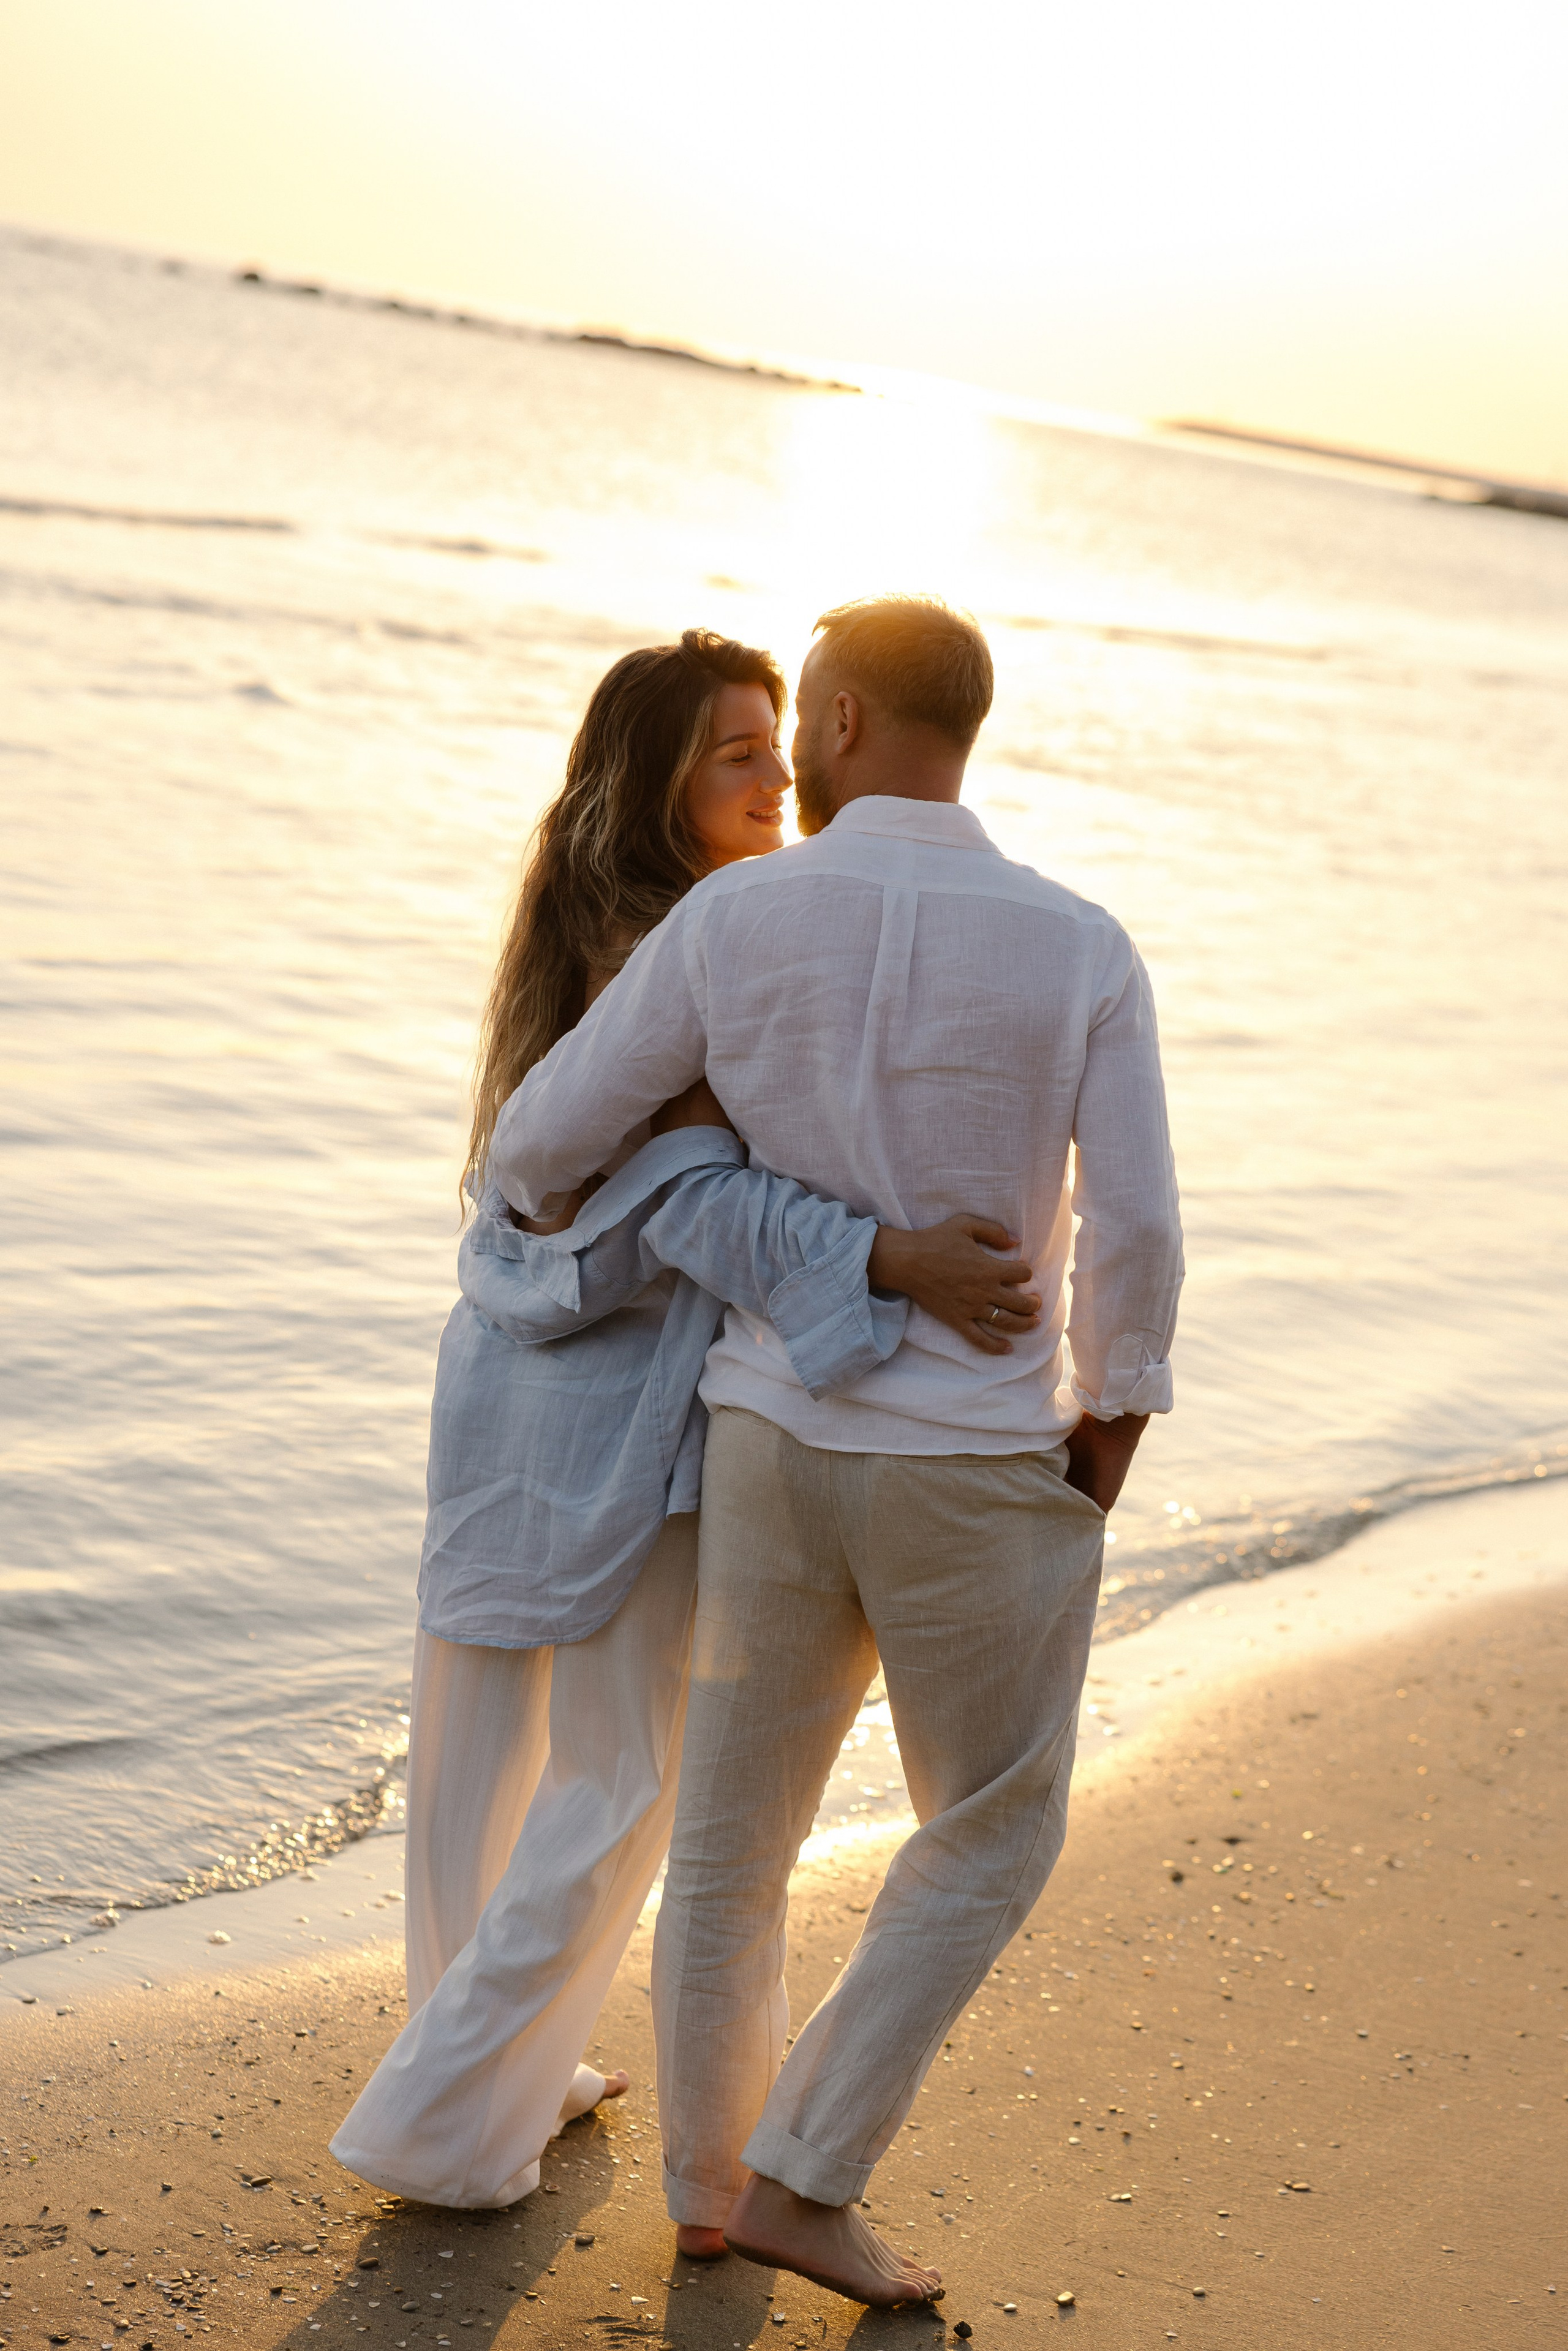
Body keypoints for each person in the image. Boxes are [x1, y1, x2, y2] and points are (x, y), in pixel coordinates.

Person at [487, 595, 1185, 2305]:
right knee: (995, 1828)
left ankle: (715, 2190)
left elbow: (536, 1147)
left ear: (855, 722)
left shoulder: (740, 921)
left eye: (806, 714)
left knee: (735, 1843)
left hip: (772, 1442)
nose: (792, 747)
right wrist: (1115, 1409)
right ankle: (808, 2174)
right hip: (966, 1461)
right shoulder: (1080, 942)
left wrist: (727, 1205)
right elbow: (1139, 1227)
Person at [330, 630, 1043, 2223]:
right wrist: (891, 1256)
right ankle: (448, 2117)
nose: (777, 773)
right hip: (625, 1397)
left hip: (507, 1357)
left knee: (480, 1746)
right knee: (629, 1770)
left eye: (781, 741)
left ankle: (510, 2056)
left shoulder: (580, 926)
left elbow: (559, 1168)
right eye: (738, 751)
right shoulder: (699, 939)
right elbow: (722, 1199)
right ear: (655, 782)